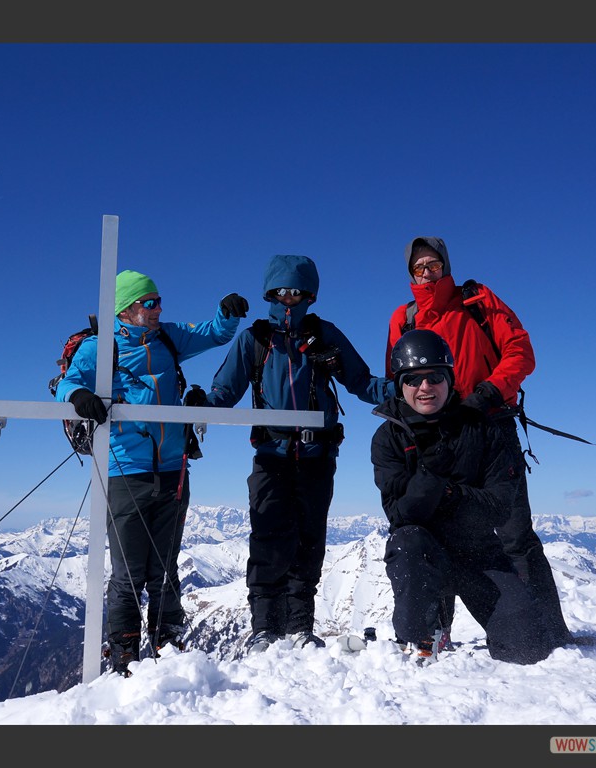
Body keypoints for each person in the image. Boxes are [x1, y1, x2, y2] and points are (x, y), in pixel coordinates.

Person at [54, 269, 249, 676]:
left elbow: (212, 333)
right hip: (127, 468)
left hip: (173, 467)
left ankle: (169, 647)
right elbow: (65, 384)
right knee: (129, 572)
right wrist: (81, 396)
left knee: (165, 566)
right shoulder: (99, 348)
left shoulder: (168, 337)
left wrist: (227, 315)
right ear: (127, 308)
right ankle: (124, 655)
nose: (159, 309)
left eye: (159, 301)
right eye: (150, 303)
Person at [384, 236, 572, 650]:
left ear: (446, 265)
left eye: (434, 264)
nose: (427, 273)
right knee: (435, 527)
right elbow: (396, 372)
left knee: (514, 532)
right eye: (419, 268)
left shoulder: (476, 300)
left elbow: (520, 350)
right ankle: (437, 632)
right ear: (411, 275)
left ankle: (549, 632)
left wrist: (489, 391)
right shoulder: (406, 316)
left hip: (488, 425)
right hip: (431, 435)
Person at [200, 254, 393, 654]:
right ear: (271, 293)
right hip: (271, 452)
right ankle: (264, 628)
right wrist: (200, 404)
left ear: (310, 295)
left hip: (318, 452)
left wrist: (404, 392)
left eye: (297, 292)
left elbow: (360, 381)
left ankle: (300, 625)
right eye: (282, 291)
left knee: (310, 538)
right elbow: (225, 392)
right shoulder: (254, 339)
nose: (289, 299)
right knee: (269, 536)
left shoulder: (326, 335)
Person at [371, 329, 558, 665]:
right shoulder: (389, 437)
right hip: (423, 554)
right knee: (407, 542)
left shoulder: (481, 430)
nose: (425, 387)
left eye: (435, 377)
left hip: (479, 553)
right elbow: (401, 516)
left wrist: (447, 491)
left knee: (529, 647)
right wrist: (430, 478)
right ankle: (419, 635)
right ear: (400, 384)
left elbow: (500, 509)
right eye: (413, 379)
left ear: (450, 380)